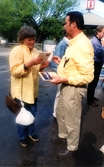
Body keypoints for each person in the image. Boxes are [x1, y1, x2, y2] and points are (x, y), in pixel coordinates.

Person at [50, 11, 94, 157]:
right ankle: (63, 135)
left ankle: (72, 146)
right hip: (65, 85)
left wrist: (63, 79)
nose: (64, 25)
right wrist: (60, 62)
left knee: (72, 119)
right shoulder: (74, 42)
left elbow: (87, 76)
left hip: (73, 89)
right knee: (61, 113)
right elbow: (73, 64)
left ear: (73, 24)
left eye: (65, 22)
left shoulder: (83, 45)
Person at [9, 26, 49, 147]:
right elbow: (14, 71)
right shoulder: (17, 50)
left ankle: (31, 132)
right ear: (22, 39)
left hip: (33, 90)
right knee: (22, 115)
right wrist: (29, 63)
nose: (32, 42)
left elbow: (36, 70)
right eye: (29, 40)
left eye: (33, 39)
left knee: (32, 113)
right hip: (21, 91)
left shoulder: (36, 51)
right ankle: (22, 136)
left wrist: (42, 67)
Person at [50, 31, 71, 118]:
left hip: (64, 74)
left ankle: (59, 112)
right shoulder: (62, 44)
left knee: (62, 94)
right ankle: (56, 113)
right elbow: (54, 63)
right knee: (59, 94)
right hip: (61, 74)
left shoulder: (68, 44)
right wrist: (59, 75)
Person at [87, 25, 104, 107]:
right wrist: (103, 46)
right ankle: (90, 100)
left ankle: (92, 97)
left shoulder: (98, 40)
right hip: (95, 64)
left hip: (98, 63)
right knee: (93, 82)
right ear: (98, 32)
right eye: (103, 33)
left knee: (95, 81)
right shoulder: (95, 42)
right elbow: (100, 54)